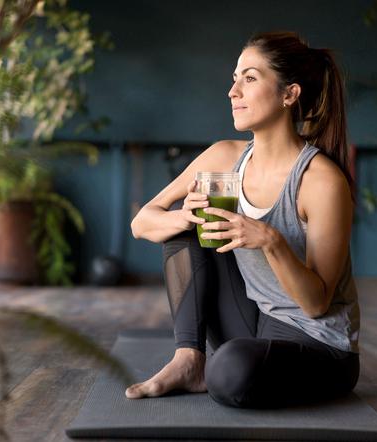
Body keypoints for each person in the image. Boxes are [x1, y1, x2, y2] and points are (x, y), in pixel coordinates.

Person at [125, 31, 360, 408]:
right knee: (184, 230)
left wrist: (271, 241)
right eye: (235, 78)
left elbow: (317, 304)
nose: (233, 91)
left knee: (231, 372)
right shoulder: (223, 157)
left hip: (318, 345)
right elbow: (142, 222)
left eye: (249, 78)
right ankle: (189, 359)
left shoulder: (320, 182)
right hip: (255, 320)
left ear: (289, 94)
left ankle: (221, 368)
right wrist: (184, 218)